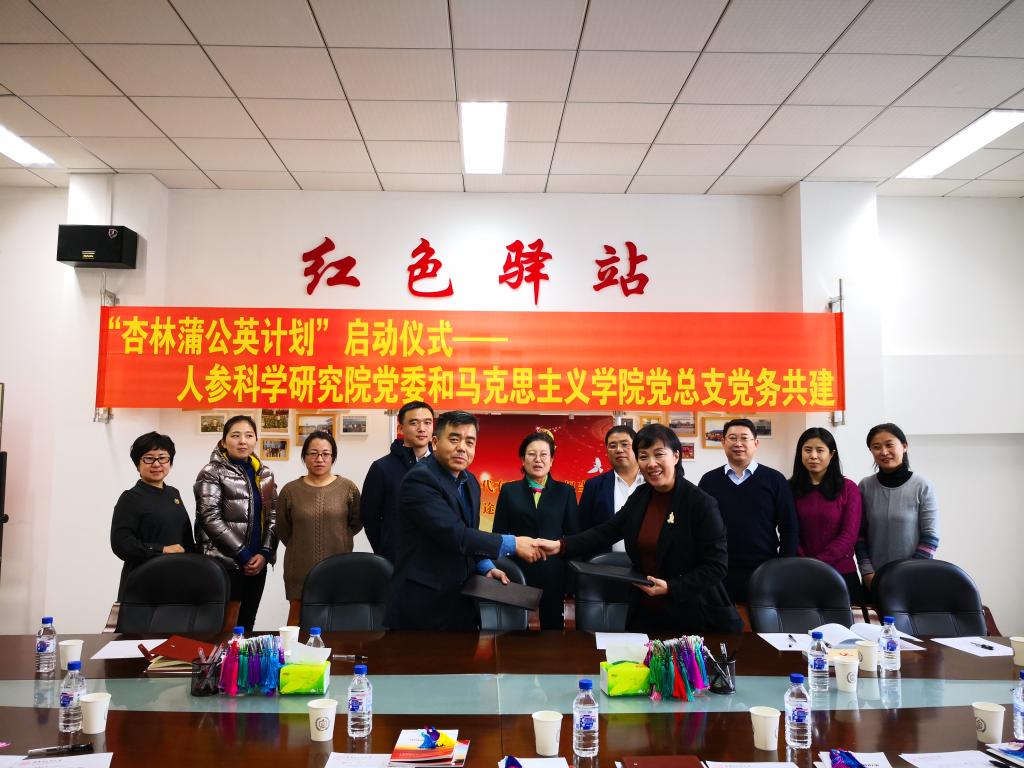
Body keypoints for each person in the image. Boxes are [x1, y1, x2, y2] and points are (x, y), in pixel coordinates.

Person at [538, 424, 741, 635]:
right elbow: (606, 531)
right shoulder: (642, 496)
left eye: (659, 454)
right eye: (643, 456)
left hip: (693, 611)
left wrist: (671, 587)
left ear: (676, 456)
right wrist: (560, 545)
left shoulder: (700, 503)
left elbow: (716, 566)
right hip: (646, 609)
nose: (651, 463)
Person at [384, 410, 546, 631]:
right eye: (454, 439)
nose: (462, 447)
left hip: (460, 600)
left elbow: (470, 533)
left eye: (470, 442)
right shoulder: (420, 479)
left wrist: (484, 566)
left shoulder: (470, 481)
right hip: (422, 605)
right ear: (435, 442)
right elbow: (456, 535)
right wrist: (514, 543)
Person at [698, 418, 798, 603]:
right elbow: (698, 527)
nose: (738, 443)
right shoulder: (709, 481)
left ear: (756, 443)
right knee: (721, 619)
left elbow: (789, 528)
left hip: (764, 570)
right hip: (718, 570)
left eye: (744, 438)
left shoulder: (775, 480)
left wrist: (783, 568)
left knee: (761, 619)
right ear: (723, 442)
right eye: (732, 438)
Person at [194, 414, 277, 633]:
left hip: (257, 564)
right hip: (224, 564)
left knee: (246, 625)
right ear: (223, 442)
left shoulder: (265, 474)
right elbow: (209, 516)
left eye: (249, 435)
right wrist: (242, 554)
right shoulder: (211, 472)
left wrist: (265, 552)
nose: (243, 441)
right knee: (222, 628)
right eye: (235, 435)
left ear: (256, 440)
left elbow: (273, 516)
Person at [492, 431, 580, 629]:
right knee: (515, 632)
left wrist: (571, 582)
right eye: (532, 454)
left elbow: (573, 537)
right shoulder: (509, 491)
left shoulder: (565, 492)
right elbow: (499, 533)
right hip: (517, 573)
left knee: (553, 633)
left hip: (554, 575)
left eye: (544, 455)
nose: (538, 460)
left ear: (552, 460)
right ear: (523, 460)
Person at [277, 430, 362, 625]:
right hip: (299, 569)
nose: (319, 459)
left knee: (338, 625)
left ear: (333, 457)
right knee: (297, 623)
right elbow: (283, 529)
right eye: (313, 453)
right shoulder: (290, 490)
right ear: (304, 456)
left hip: (338, 567)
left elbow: (356, 523)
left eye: (325, 454)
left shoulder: (348, 488)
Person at [110, 431, 195, 600]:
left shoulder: (173, 493)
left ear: (170, 462)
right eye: (148, 458)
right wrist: (161, 550)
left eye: (163, 458)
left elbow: (185, 539)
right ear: (137, 464)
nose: (156, 464)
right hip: (142, 581)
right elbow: (121, 544)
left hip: (177, 579)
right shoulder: (130, 498)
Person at [856, 422, 939, 593]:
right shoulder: (865, 486)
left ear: (904, 446)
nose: (884, 452)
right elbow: (859, 534)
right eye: (876, 447)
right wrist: (867, 572)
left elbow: (930, 537)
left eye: (889, 445)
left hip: (913, 579)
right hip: (874, 580)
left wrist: (910, 573)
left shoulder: (922, 485)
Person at [788, 427, 863, 601]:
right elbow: (788, 530)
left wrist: (817, 563)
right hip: (800, 573)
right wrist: (805, 563)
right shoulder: (788, 488)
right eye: (807, 450)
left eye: (820, 450)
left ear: (832, 454)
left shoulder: (848, 488)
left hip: (841, 574)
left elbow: (849, 535)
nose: (813, 456)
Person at [362, 400, 434, 563]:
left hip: (435, 559)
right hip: (396, 559)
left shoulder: (442, 467)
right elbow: (369, 517)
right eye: (414, 423)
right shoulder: (382, 467)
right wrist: (385, 550)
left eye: (427, 422)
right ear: (400, 428)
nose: (422, 428)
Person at [578, 425, 644, 552]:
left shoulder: (651, 483)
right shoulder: (594, 486)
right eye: (613, 446)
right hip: (604, 561)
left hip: (647, 562)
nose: (619, 450)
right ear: (607, 451)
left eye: (625, 444)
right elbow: (583, 528)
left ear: (637, 448)